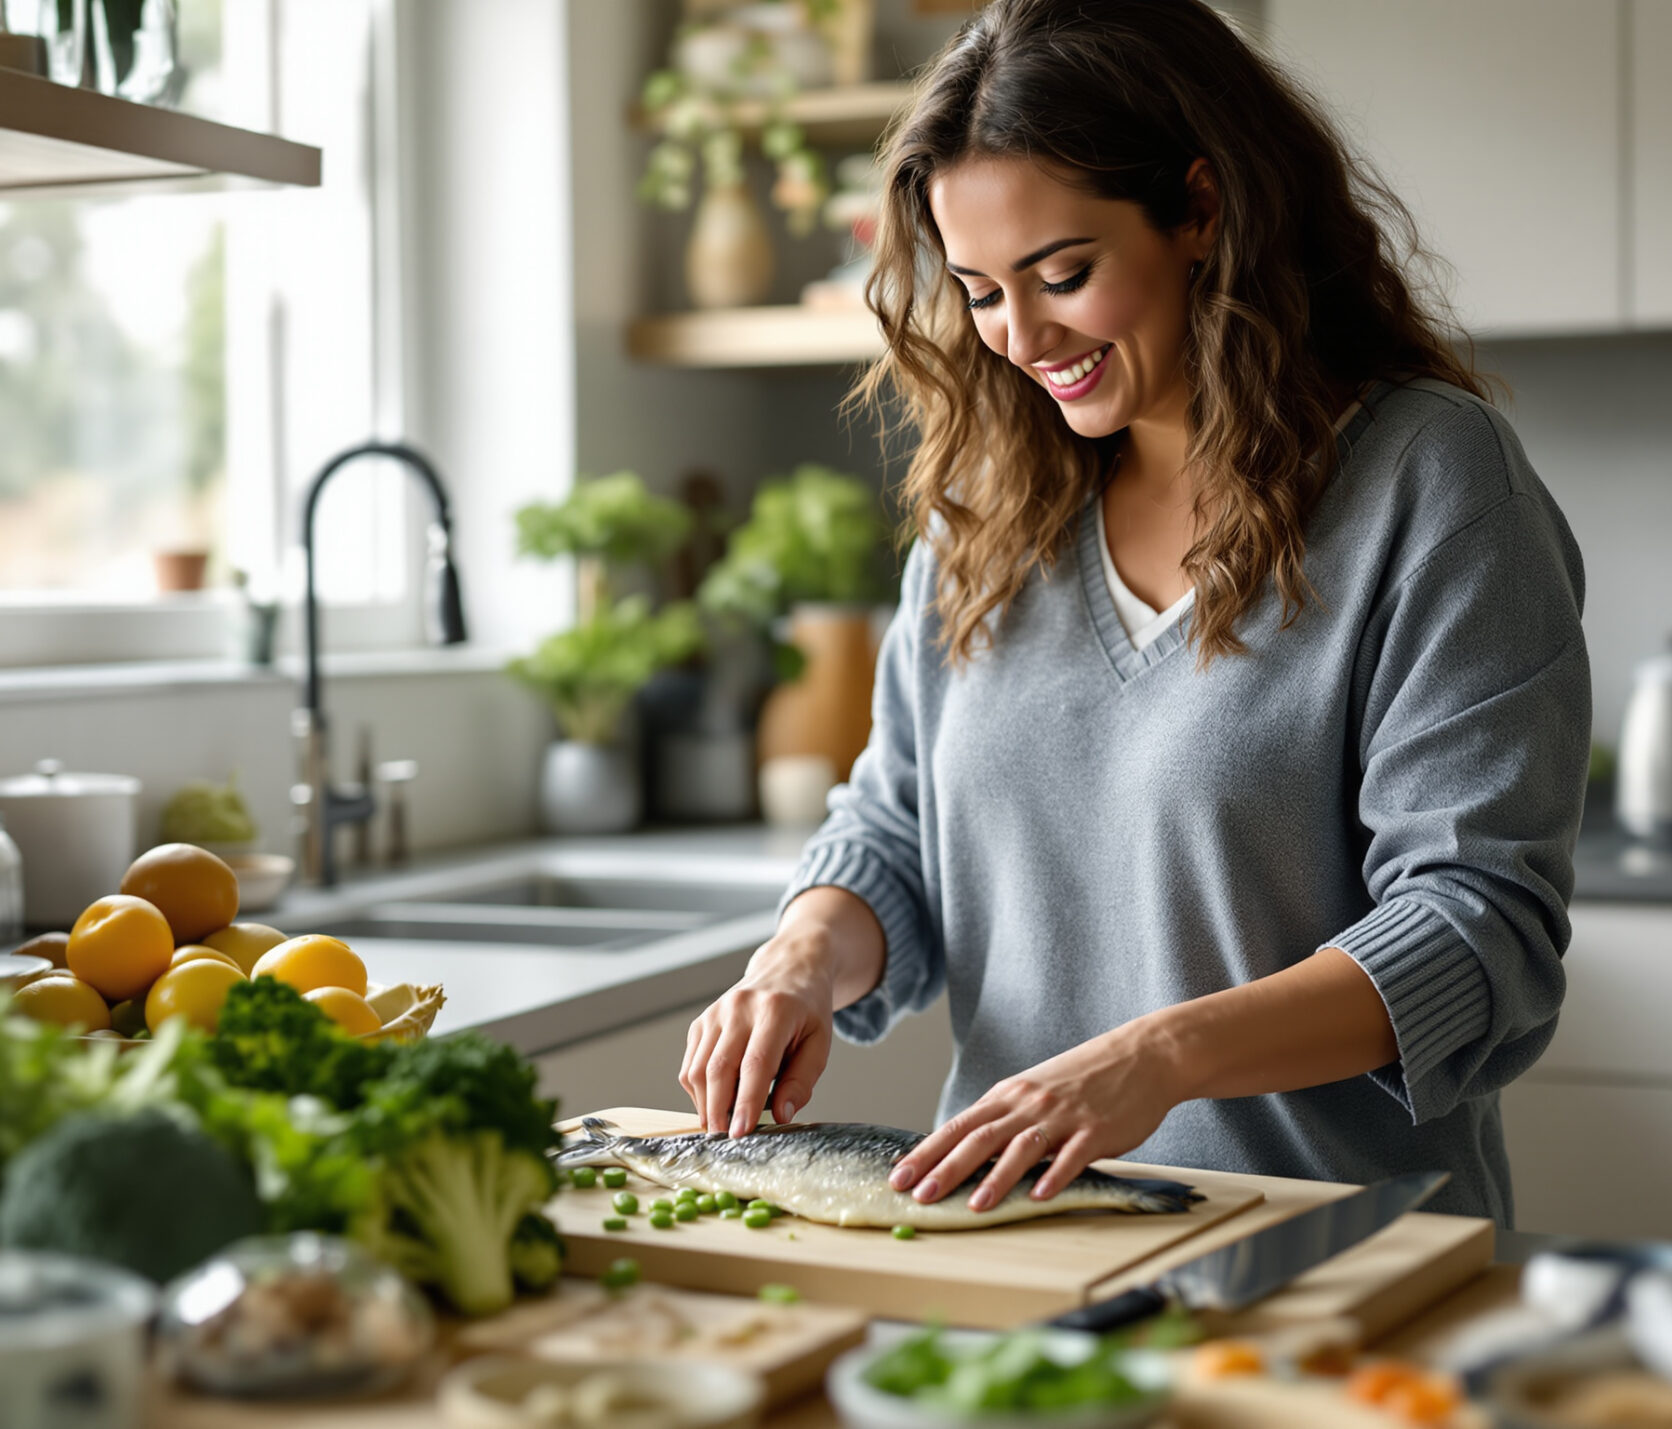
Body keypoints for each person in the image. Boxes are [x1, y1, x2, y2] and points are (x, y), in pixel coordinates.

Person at [678, 0, 1588, 1225]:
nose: (1020, 338)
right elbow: (898, 832)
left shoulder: (1429, 482)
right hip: (1017, 1242)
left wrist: (1156, 1058)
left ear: (1201, 210)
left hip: (1332, 1249)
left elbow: (1478, 925)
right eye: (980, 292)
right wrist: (796, 958)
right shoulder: (981, 512)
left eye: (1064, 274)